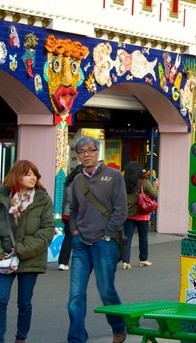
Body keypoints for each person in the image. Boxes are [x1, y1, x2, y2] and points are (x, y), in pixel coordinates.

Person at [0, 159, 55, 343]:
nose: (33, 177)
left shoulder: (43, 200)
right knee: (0, 301)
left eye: (34, 174)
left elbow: (46, 231)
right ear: (17, 176)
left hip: (30, 259)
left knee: (24, 303)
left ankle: (20, 338)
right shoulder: (0, 199)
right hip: (4, 258)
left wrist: (21, 250)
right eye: (28, 174)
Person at [67, 136, 128, 343]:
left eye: (90, 150)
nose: (85, 155)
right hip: (81, 243)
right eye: (81, 151)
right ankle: (76, 338)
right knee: (76, 294)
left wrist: (108, 233)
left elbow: (121, 210)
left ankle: (118, 327)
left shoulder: (113, 176)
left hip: (105, 242)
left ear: (97, 152)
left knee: (106, 290)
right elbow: (73, 209)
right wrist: (74, 230)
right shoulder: (77, 180)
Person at [121, 161, 158, 270]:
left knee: (127, 238)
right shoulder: (144, 182)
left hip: (128, 215)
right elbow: (154, 194)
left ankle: (125, 261)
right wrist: (155, 186)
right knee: (143, 238)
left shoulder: (123, 182)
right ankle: (143, 260)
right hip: (142, 215)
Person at [58, 163, 83, 271]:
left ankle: (63, 262)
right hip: (80, 214)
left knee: (68, 237)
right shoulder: (83, 183)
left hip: (68, 213)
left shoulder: (68, 183)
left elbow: (64, 201)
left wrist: (63, 214)